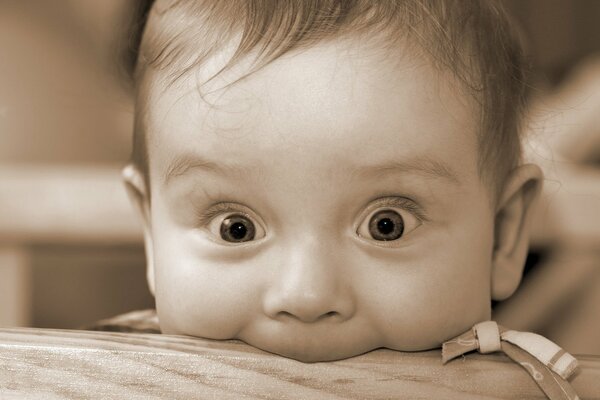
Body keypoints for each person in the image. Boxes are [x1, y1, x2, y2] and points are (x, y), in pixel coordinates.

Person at [97, 3, 580, 392]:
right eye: (235, 228)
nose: (306, 295)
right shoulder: (88, 382)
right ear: (151, 234)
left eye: (386, 224)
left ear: (503, 235)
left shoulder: (540, 387)